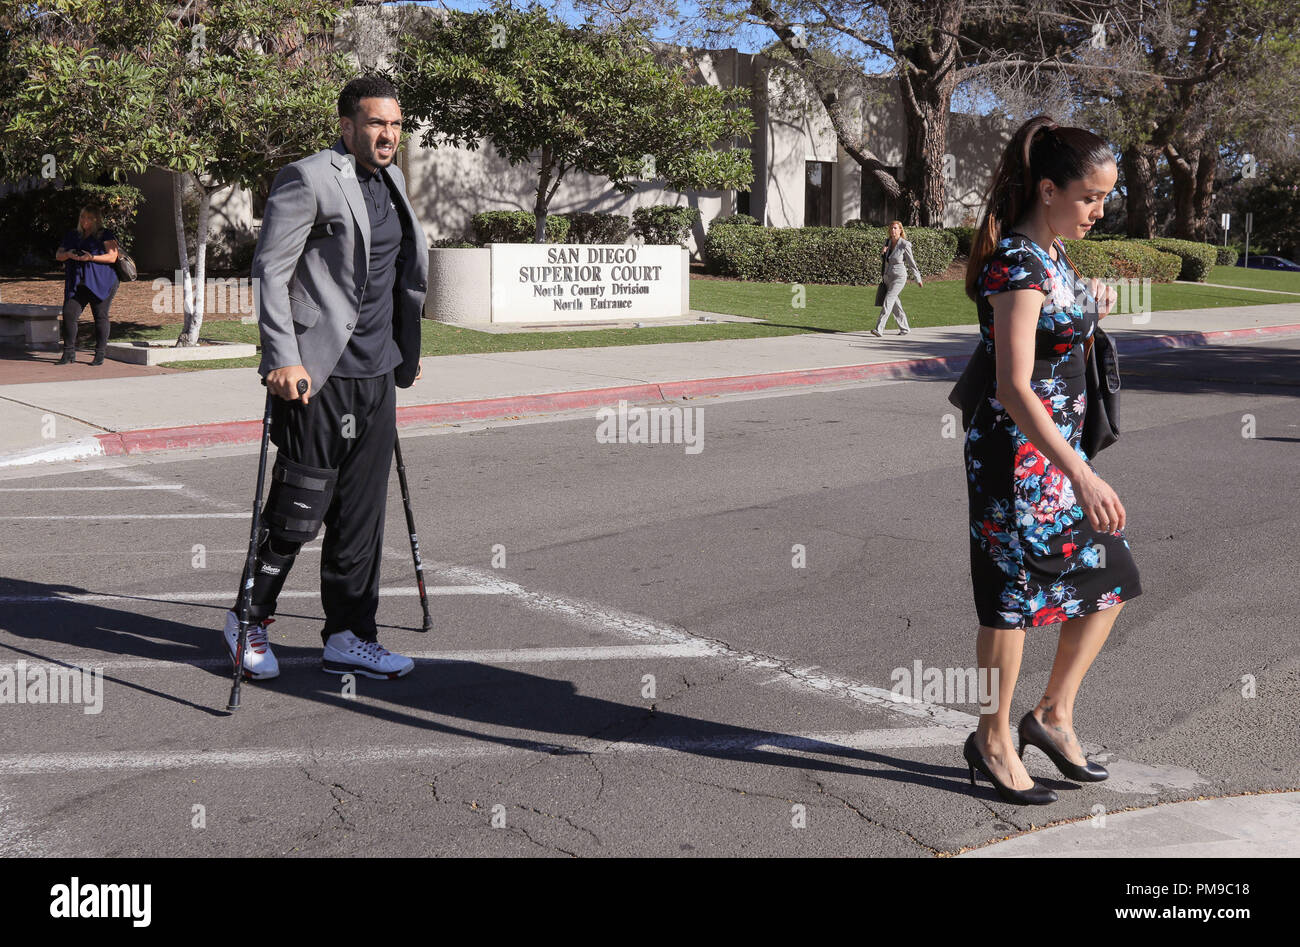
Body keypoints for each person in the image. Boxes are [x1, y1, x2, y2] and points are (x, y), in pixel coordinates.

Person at [220, 74, 429, 682]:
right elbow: (271, 271)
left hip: (377, 372)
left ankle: (349, 633)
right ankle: (248, 618)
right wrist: (281, 357)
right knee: (299, 508)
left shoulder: (391, 180)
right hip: (317, 373)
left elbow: (397, 274)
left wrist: (406, 349)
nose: (387, 134)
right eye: (374, 123)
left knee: (362, 516)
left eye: (394, 124)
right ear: (347, 125)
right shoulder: (308, 177)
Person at [960, 116, 1142, 804]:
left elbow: (1053, 335)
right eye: (1091, 196)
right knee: (1008, 603)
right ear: (1047, 188)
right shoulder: (1015, 262)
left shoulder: (1055, 258)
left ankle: (1052, 715)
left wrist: (1089, 305)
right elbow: (1011, 385)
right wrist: (1082, 471)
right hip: (1017, 461)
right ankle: (994, 737)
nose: (1101, 209)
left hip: (1058, 459)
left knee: (1110, 572)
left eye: (1105, 197)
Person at [54, 206, 120, 365]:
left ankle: (100, 354)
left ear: (97, 219)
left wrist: (91, 258)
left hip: (101, 281)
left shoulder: (104, 234)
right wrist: (68, 255)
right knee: (69, 314)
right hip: (77, 282)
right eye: (83, 217)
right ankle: (68, 352)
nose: (85, 221)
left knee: (100, 316)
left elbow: (112, 257)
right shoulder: (73, 235)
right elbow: (58, 255)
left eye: (89, 218)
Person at [871, 220, 923, 337]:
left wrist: (918, 278)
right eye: (891, 228)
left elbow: (912, 263)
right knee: (895, 304)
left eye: (895, 228)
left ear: (900, 230)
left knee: (888, 301)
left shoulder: (905, 244)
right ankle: (904, 328)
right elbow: (886, 260)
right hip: (888, 277)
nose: (893, 230)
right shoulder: (887, 242)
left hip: (899, 277)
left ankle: (879, 328)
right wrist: (882, 253)